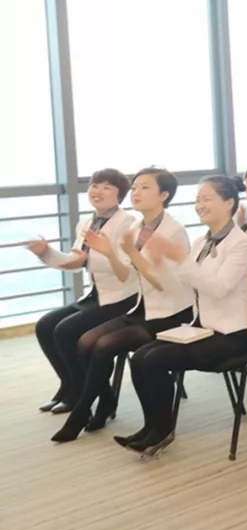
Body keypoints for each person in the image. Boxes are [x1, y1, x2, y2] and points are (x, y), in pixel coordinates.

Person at [51, 168, 196, 443]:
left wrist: (131, 254)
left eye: (145, 187)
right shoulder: (136, 228)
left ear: (164, 195)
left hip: (170, 312)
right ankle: (102, 404)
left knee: (104, 345)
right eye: (135, 187)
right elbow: (124, 275)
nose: (136, 192)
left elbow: (164, 284)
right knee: (86, 341)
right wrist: (110, 253)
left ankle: (81, 413)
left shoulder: (173, 231)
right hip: (142, 307)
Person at [117, 175, 247, 455]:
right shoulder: (201, 240)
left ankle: (162, 430)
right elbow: (185, 284)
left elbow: (218, 289)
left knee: (154, 360)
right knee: (141, 356)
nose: (199, 205)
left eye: (207, 199)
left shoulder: (241, 244)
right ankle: (150, 427)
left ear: (229, 203)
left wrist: (179, 258)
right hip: (201, 327)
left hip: (231, 334)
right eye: (197, 200)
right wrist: (161, 262)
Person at [30, 168, 139, 414]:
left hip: (124, 299)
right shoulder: (87, 222)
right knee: (45, 325)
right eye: (94, 185)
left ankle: (80, 393)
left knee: (65, 330)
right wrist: (46, 253)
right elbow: (76, 261)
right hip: (96, 296)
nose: (98, 191)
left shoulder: (128, 223)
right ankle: (69, 384)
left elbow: (127, 270)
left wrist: (98, 254)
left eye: (107, 187)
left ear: (120, 195)